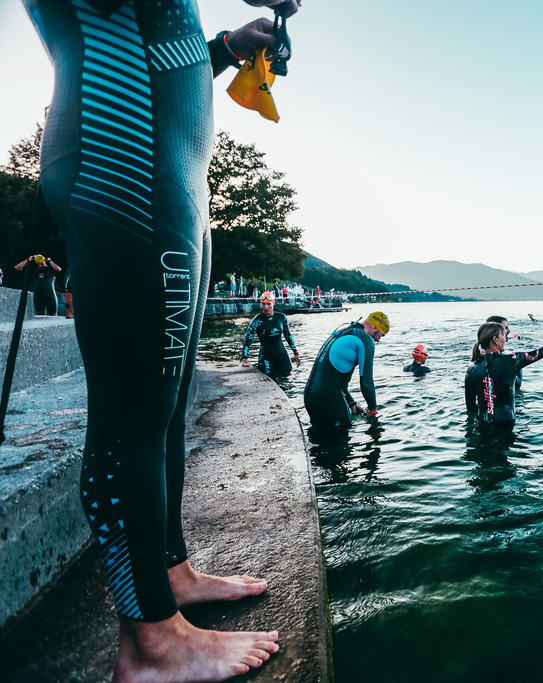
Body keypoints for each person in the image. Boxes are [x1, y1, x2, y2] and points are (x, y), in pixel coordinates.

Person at [24, 0, 301, 680]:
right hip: (121, 161)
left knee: (167, 404)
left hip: (171, 176)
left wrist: (224, 48)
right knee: (132, 419)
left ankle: (168, 573)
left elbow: (154, 40)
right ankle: (150, 642)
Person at [304, 312, 389, 430]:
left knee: (318, 438)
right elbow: (366, 382)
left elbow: (334, 378)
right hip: (329, 400)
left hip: (310, 396)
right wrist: (372, 410)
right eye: (382, 335)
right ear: (375, 327)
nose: (379, 340)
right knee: (342, 438)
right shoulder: (365, 339)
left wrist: (352, 403)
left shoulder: (346, 330)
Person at [241, 291, 300, 376]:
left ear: (273, 303)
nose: (266, 307)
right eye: (263, 304)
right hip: (266, 358)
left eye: (268, 304)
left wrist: (295, 352)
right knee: (268, 379)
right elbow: (248, 340)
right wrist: (244, 358)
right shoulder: (257, 320)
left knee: (287, 379)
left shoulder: (281, 317)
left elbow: (288, 336)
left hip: (282, 356)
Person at [486, 315, 522, 389]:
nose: (509, 331)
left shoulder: (477, 362)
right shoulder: (505, 361)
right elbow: (517, 385)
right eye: (505, 328)